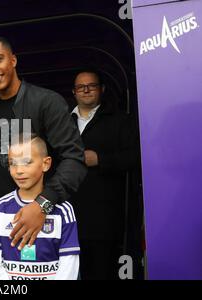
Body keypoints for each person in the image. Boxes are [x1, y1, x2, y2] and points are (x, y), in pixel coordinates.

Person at [0, 36, 86, 251]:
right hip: (1, 222)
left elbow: (75, 160)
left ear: (13, 60)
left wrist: (42, 205)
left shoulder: (46, 102)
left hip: (43, 221)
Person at [70, 69, 139, 280]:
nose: (86, 90)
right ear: (74, 92)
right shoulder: (62, 121)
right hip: (69, 216)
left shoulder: (120, 120)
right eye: (81, 87)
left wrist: (101, 159)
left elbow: (135, 157)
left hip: (104, 218)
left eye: (91, 85)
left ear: (102, 89)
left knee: (102, 271)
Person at [0, 134, 80, 280]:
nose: (19, 170)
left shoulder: (63, 210)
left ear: (46, 164)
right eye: (12, 163)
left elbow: (69, 262)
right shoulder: (0, 207)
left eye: (27, 162)